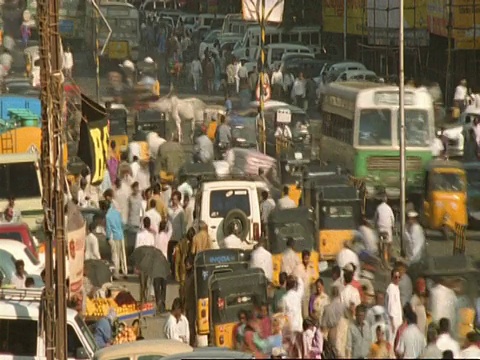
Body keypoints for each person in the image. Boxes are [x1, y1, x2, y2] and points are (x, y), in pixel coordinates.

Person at [103, 200, 127, 280]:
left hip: (115, 236)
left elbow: (108, 229)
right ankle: (125, 271)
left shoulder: (108, 216)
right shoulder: (117, 212)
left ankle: (116, 273)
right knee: (123, 255)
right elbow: (122, 224)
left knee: (115, 256)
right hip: (121, 235)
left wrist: (107, 238)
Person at [374, 194, 395, 267]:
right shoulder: (389, 208)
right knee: (389, 244)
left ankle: (380, 255)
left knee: (379, 242)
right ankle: (388, 260)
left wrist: (375, 225)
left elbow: (375, 218)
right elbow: (392, 218)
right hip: (387, 228)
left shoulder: (378, 207)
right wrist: (393, 226)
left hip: (380, 228)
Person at [175, 227, 195, 305]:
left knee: (184, 288)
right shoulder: (183, 243)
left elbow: (177, 260)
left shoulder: (181, 243)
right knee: (184, 288)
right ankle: (184, 303)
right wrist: (176, 273)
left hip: (184, 268)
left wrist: (176, 273)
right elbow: (177, 260)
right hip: (186, 268)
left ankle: (184, 303)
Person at [294, 250, 317, 317]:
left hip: (308, 292)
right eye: (305, 259)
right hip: (301, 293)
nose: (306, 261)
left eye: (308, 259)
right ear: (302, 258)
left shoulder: (310, 266)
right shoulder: (298, 268)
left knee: (308, 312)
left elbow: (314, 276)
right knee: (303, 313)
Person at [385, 269, 403, 343]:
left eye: (399, 277)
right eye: (395, 277)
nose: (397, 279)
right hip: (392, 321)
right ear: (392, 278)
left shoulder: (396, 288)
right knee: (390, 342)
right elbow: (390, 305)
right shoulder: (391, 288)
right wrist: (392, 322)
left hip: (397, 320)